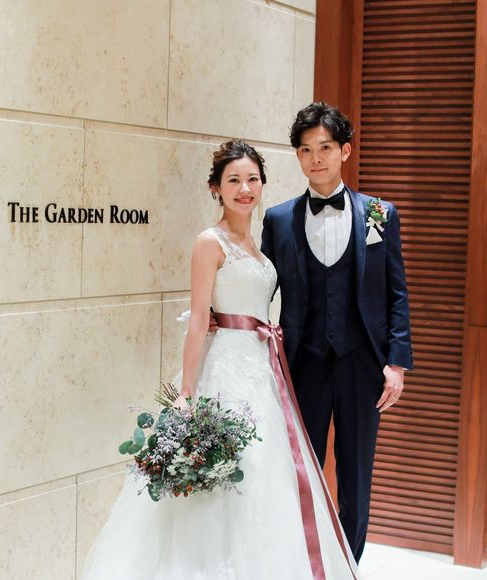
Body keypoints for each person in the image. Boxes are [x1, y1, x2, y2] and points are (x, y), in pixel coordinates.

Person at [82, 140, 361, 579]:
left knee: (266, 477)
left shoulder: (258, 246)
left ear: (262, 184)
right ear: (216, 188)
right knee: (226, 477)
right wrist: (186, 393)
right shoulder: (209, 243)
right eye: (234, 180)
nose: (244, 189)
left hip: (262, 370)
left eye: (252, 179)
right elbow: (198, 320)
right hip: (225, 369)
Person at [261, 102, 413, 563]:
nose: (316, 159)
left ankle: (349, 565)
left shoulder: (380, 214)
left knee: (356, 476)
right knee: (299, 472)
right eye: (306, 150)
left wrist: (397, 363)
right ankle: (301, 564)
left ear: (344, 150)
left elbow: (396, 292)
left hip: (362, 364)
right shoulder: (278, 219)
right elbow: (262, 288)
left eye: (325, 147)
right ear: (298, 156)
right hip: (303, 363)